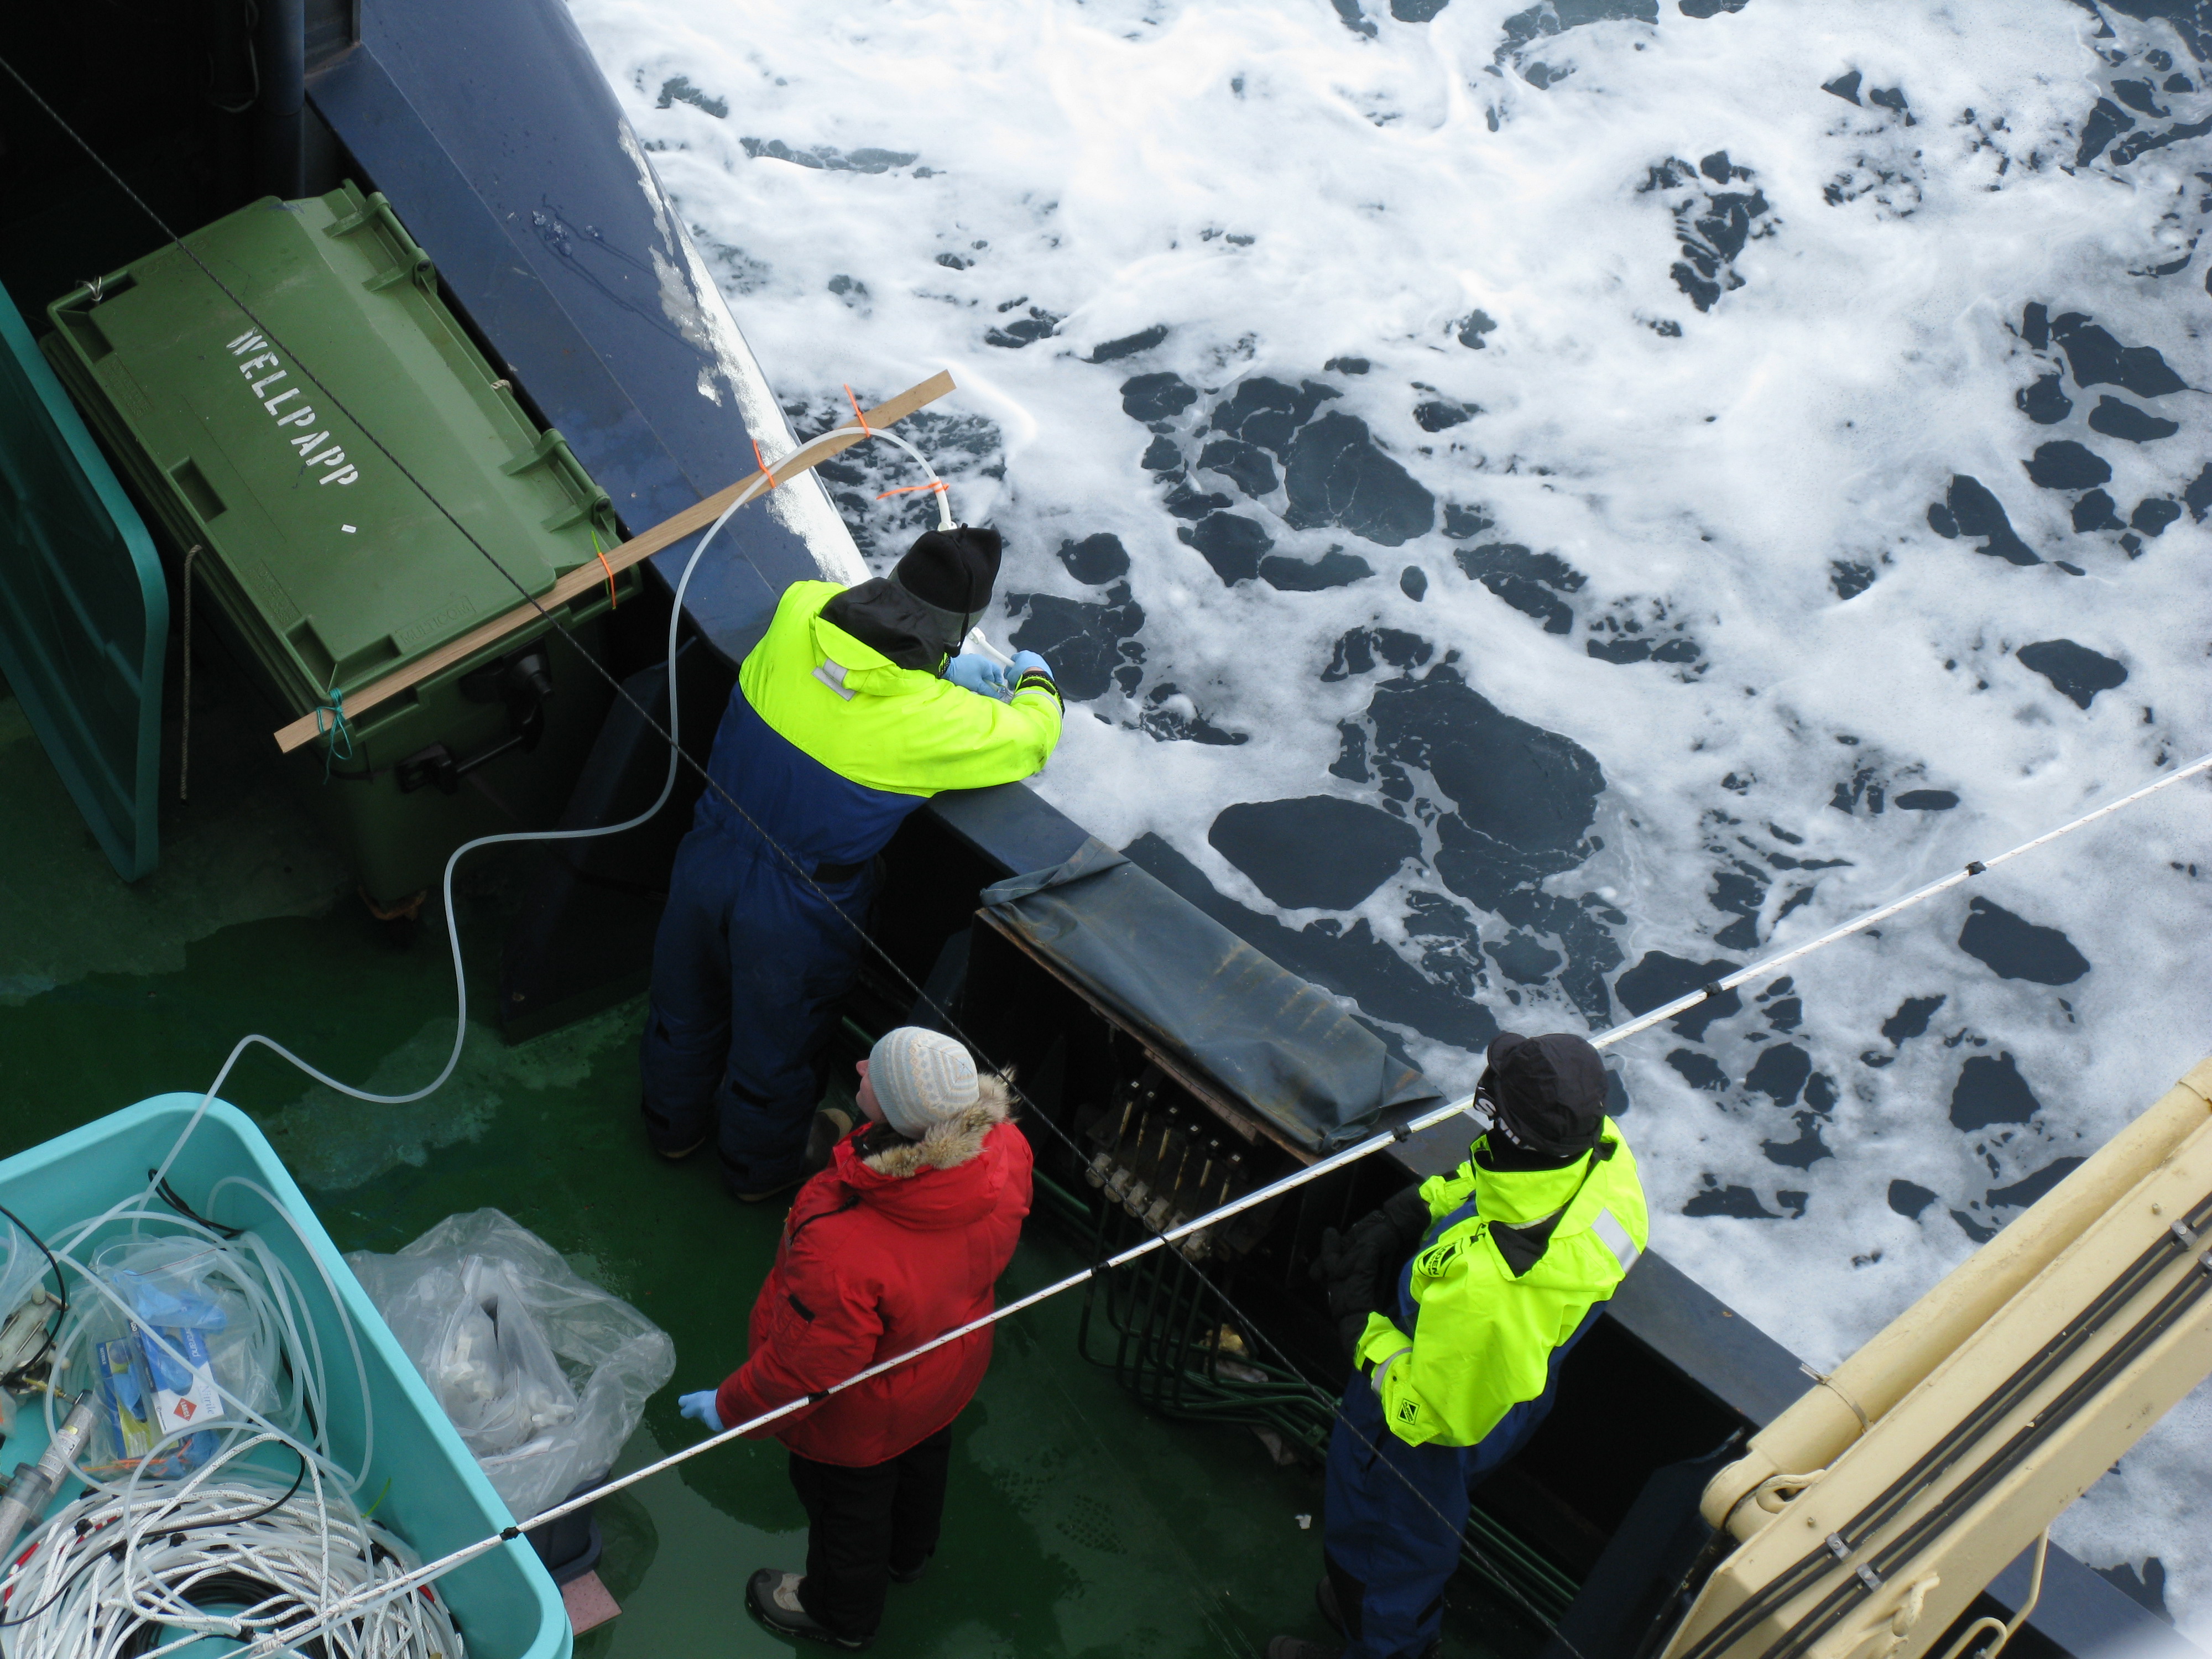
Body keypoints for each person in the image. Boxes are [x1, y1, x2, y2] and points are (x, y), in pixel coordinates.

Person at [640, 525, 1062, 1199]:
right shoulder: (936, 720)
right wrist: (1032, 677)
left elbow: (842, 631)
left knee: (683, 1003)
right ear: (959, 630)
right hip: (798, 909)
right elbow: (1034, 737)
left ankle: (670, 1127)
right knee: (778, 1044)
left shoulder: (799, 609)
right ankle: (756, 1171)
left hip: (706, 854)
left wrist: (939, 666)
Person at [1271, 1032, 1649, 1659]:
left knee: (1387, 1546)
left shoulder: (1492, 1287)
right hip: (1512, 1386)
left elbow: (1426, 1415)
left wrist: (1359, 1323)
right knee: (1402, 1545)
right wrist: (1413, 1207)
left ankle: (1383, 1638)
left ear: (1511, 1127)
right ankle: (1369, 1616)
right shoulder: (1602, 1155)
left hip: (1427, 1423)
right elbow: (1496, 1180)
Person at [675, 1025, 1034, 1650]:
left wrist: (731, 1407)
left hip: (861, 1418)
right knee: (924, 1460)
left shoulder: (845, 1245)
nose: (863, 1066)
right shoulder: (1006, 1148)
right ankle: (909, 1556)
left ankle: (839, 1616)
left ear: (899, 1117)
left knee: (847, 1512)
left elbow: (805, 1371)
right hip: (946, 1370)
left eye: (878, 1072)